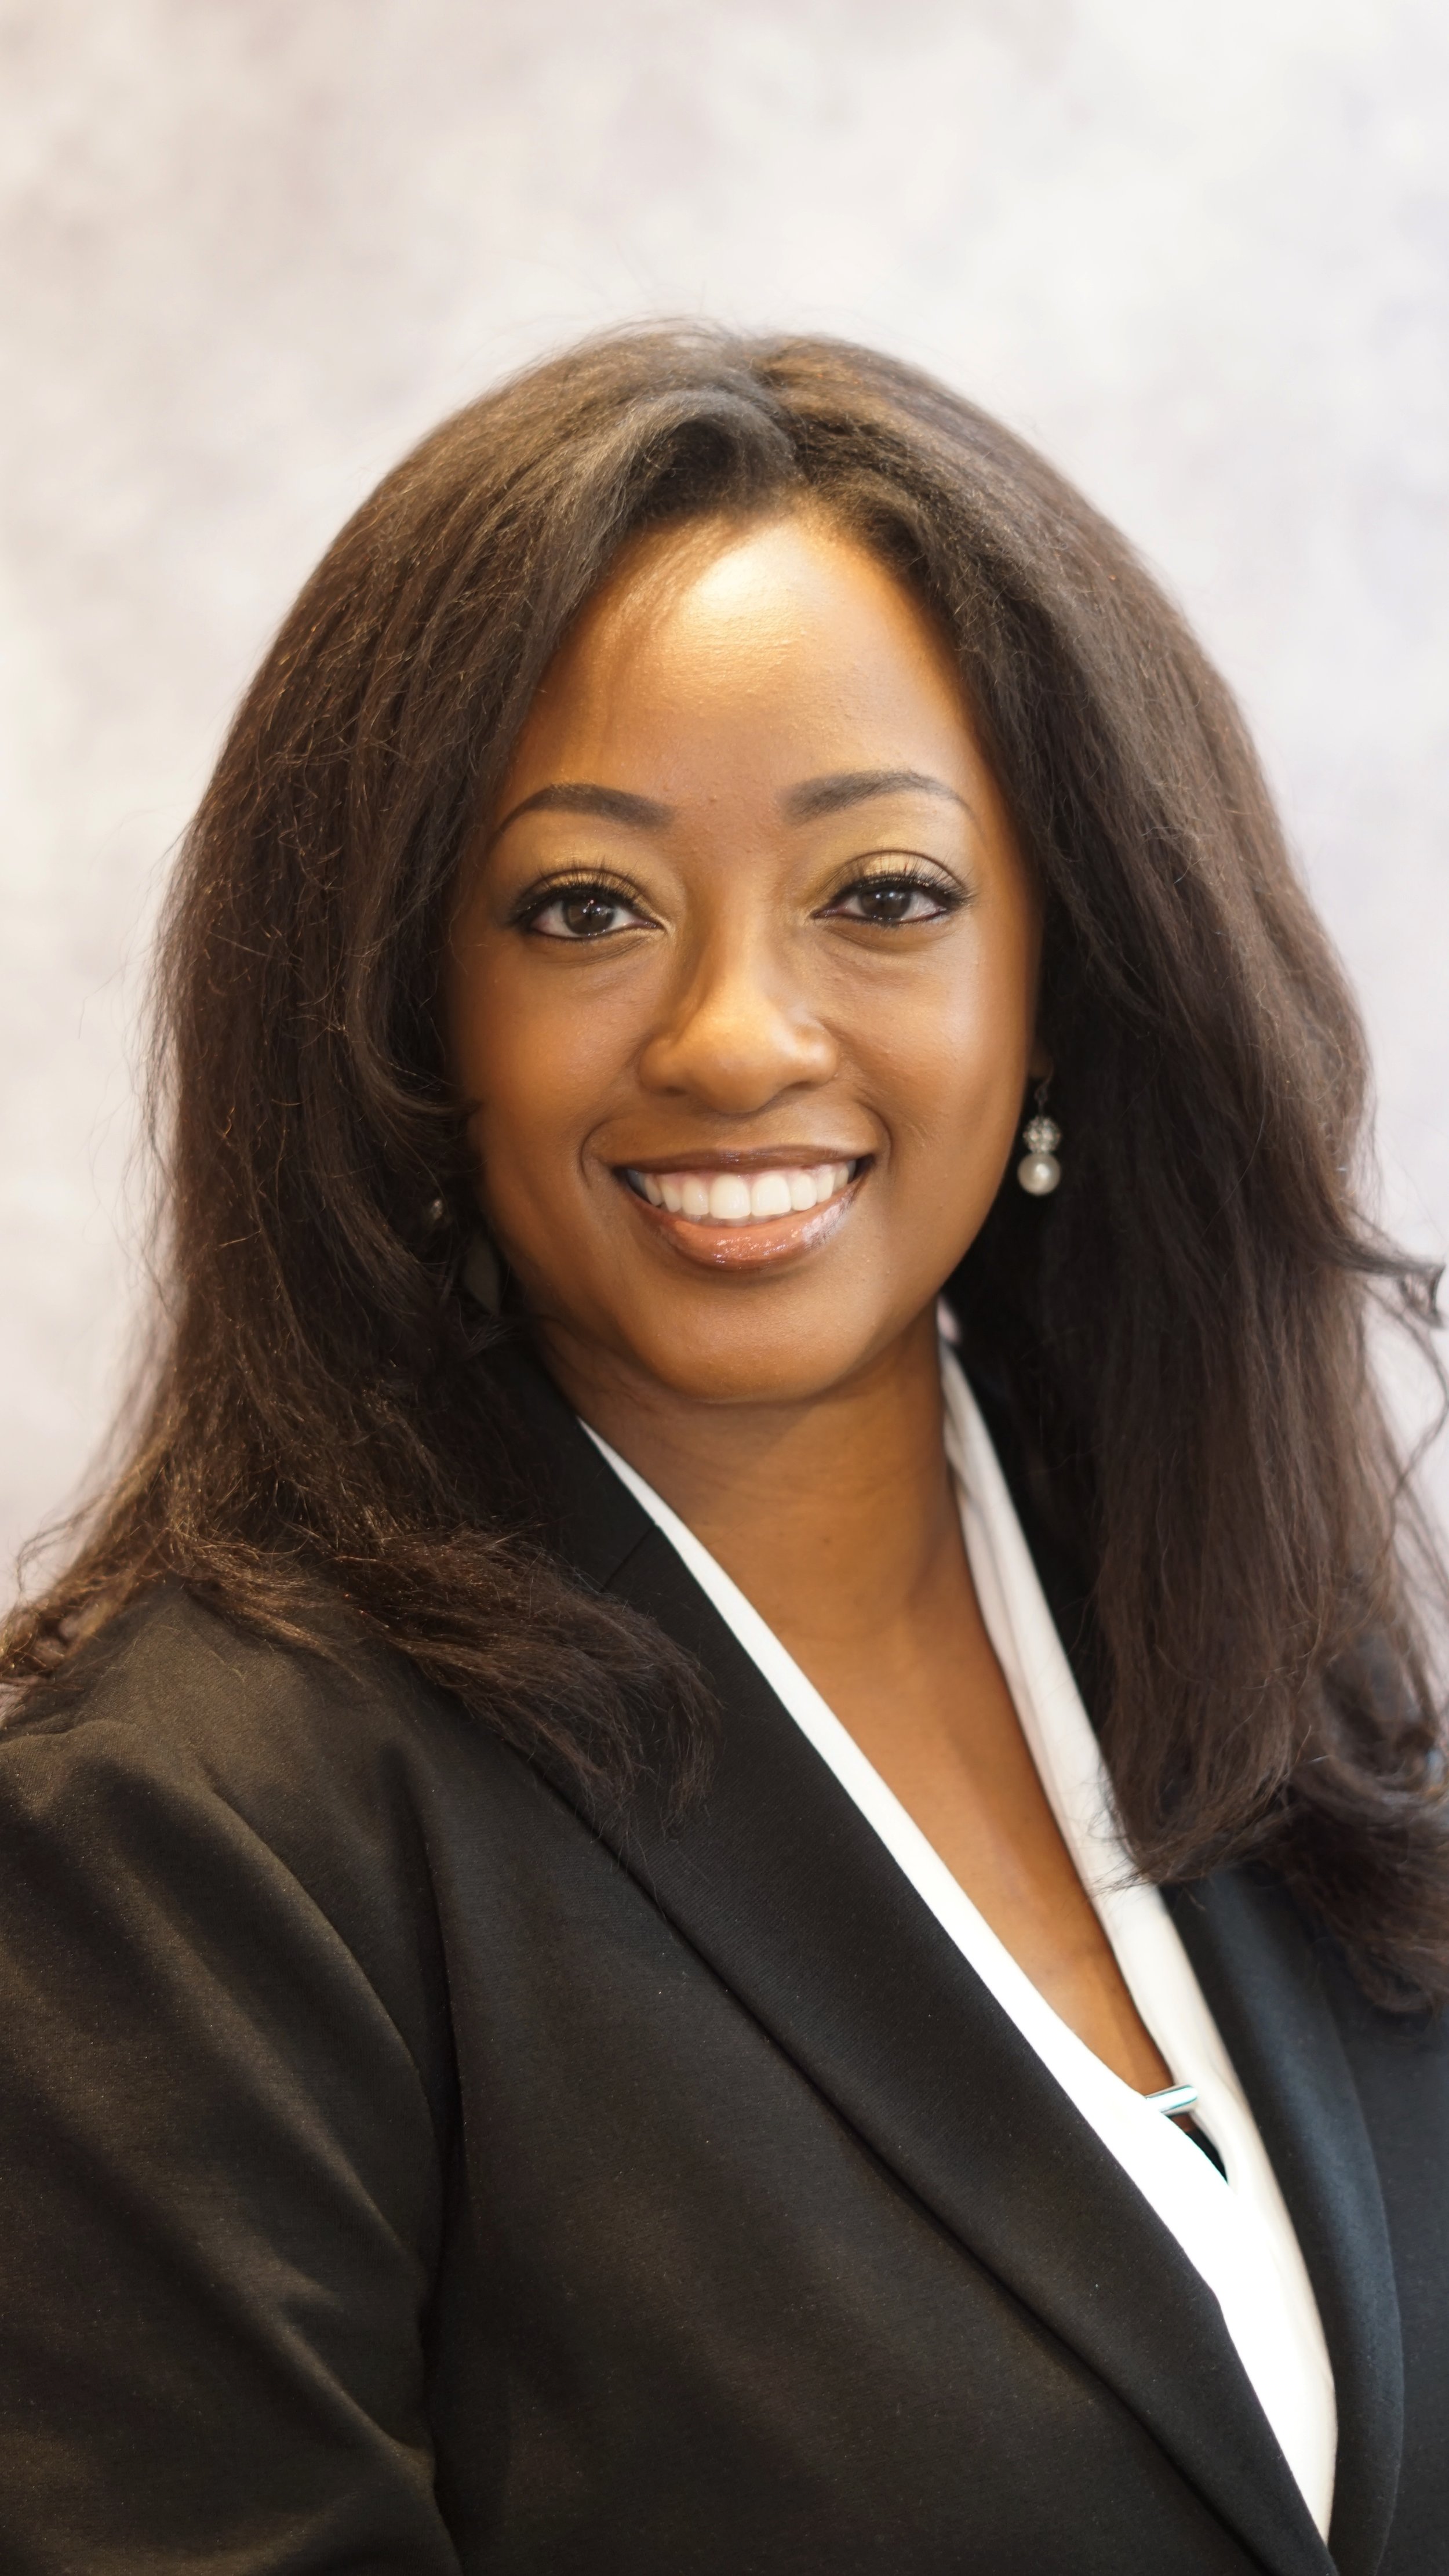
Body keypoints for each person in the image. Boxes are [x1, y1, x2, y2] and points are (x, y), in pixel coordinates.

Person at [1, 326, 1446, 2576]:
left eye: (882, 896)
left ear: (1058, 976)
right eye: (583, 908)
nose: (735, 1037)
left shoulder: (1246, 1646)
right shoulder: (190, 1844)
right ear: (407, 1005)